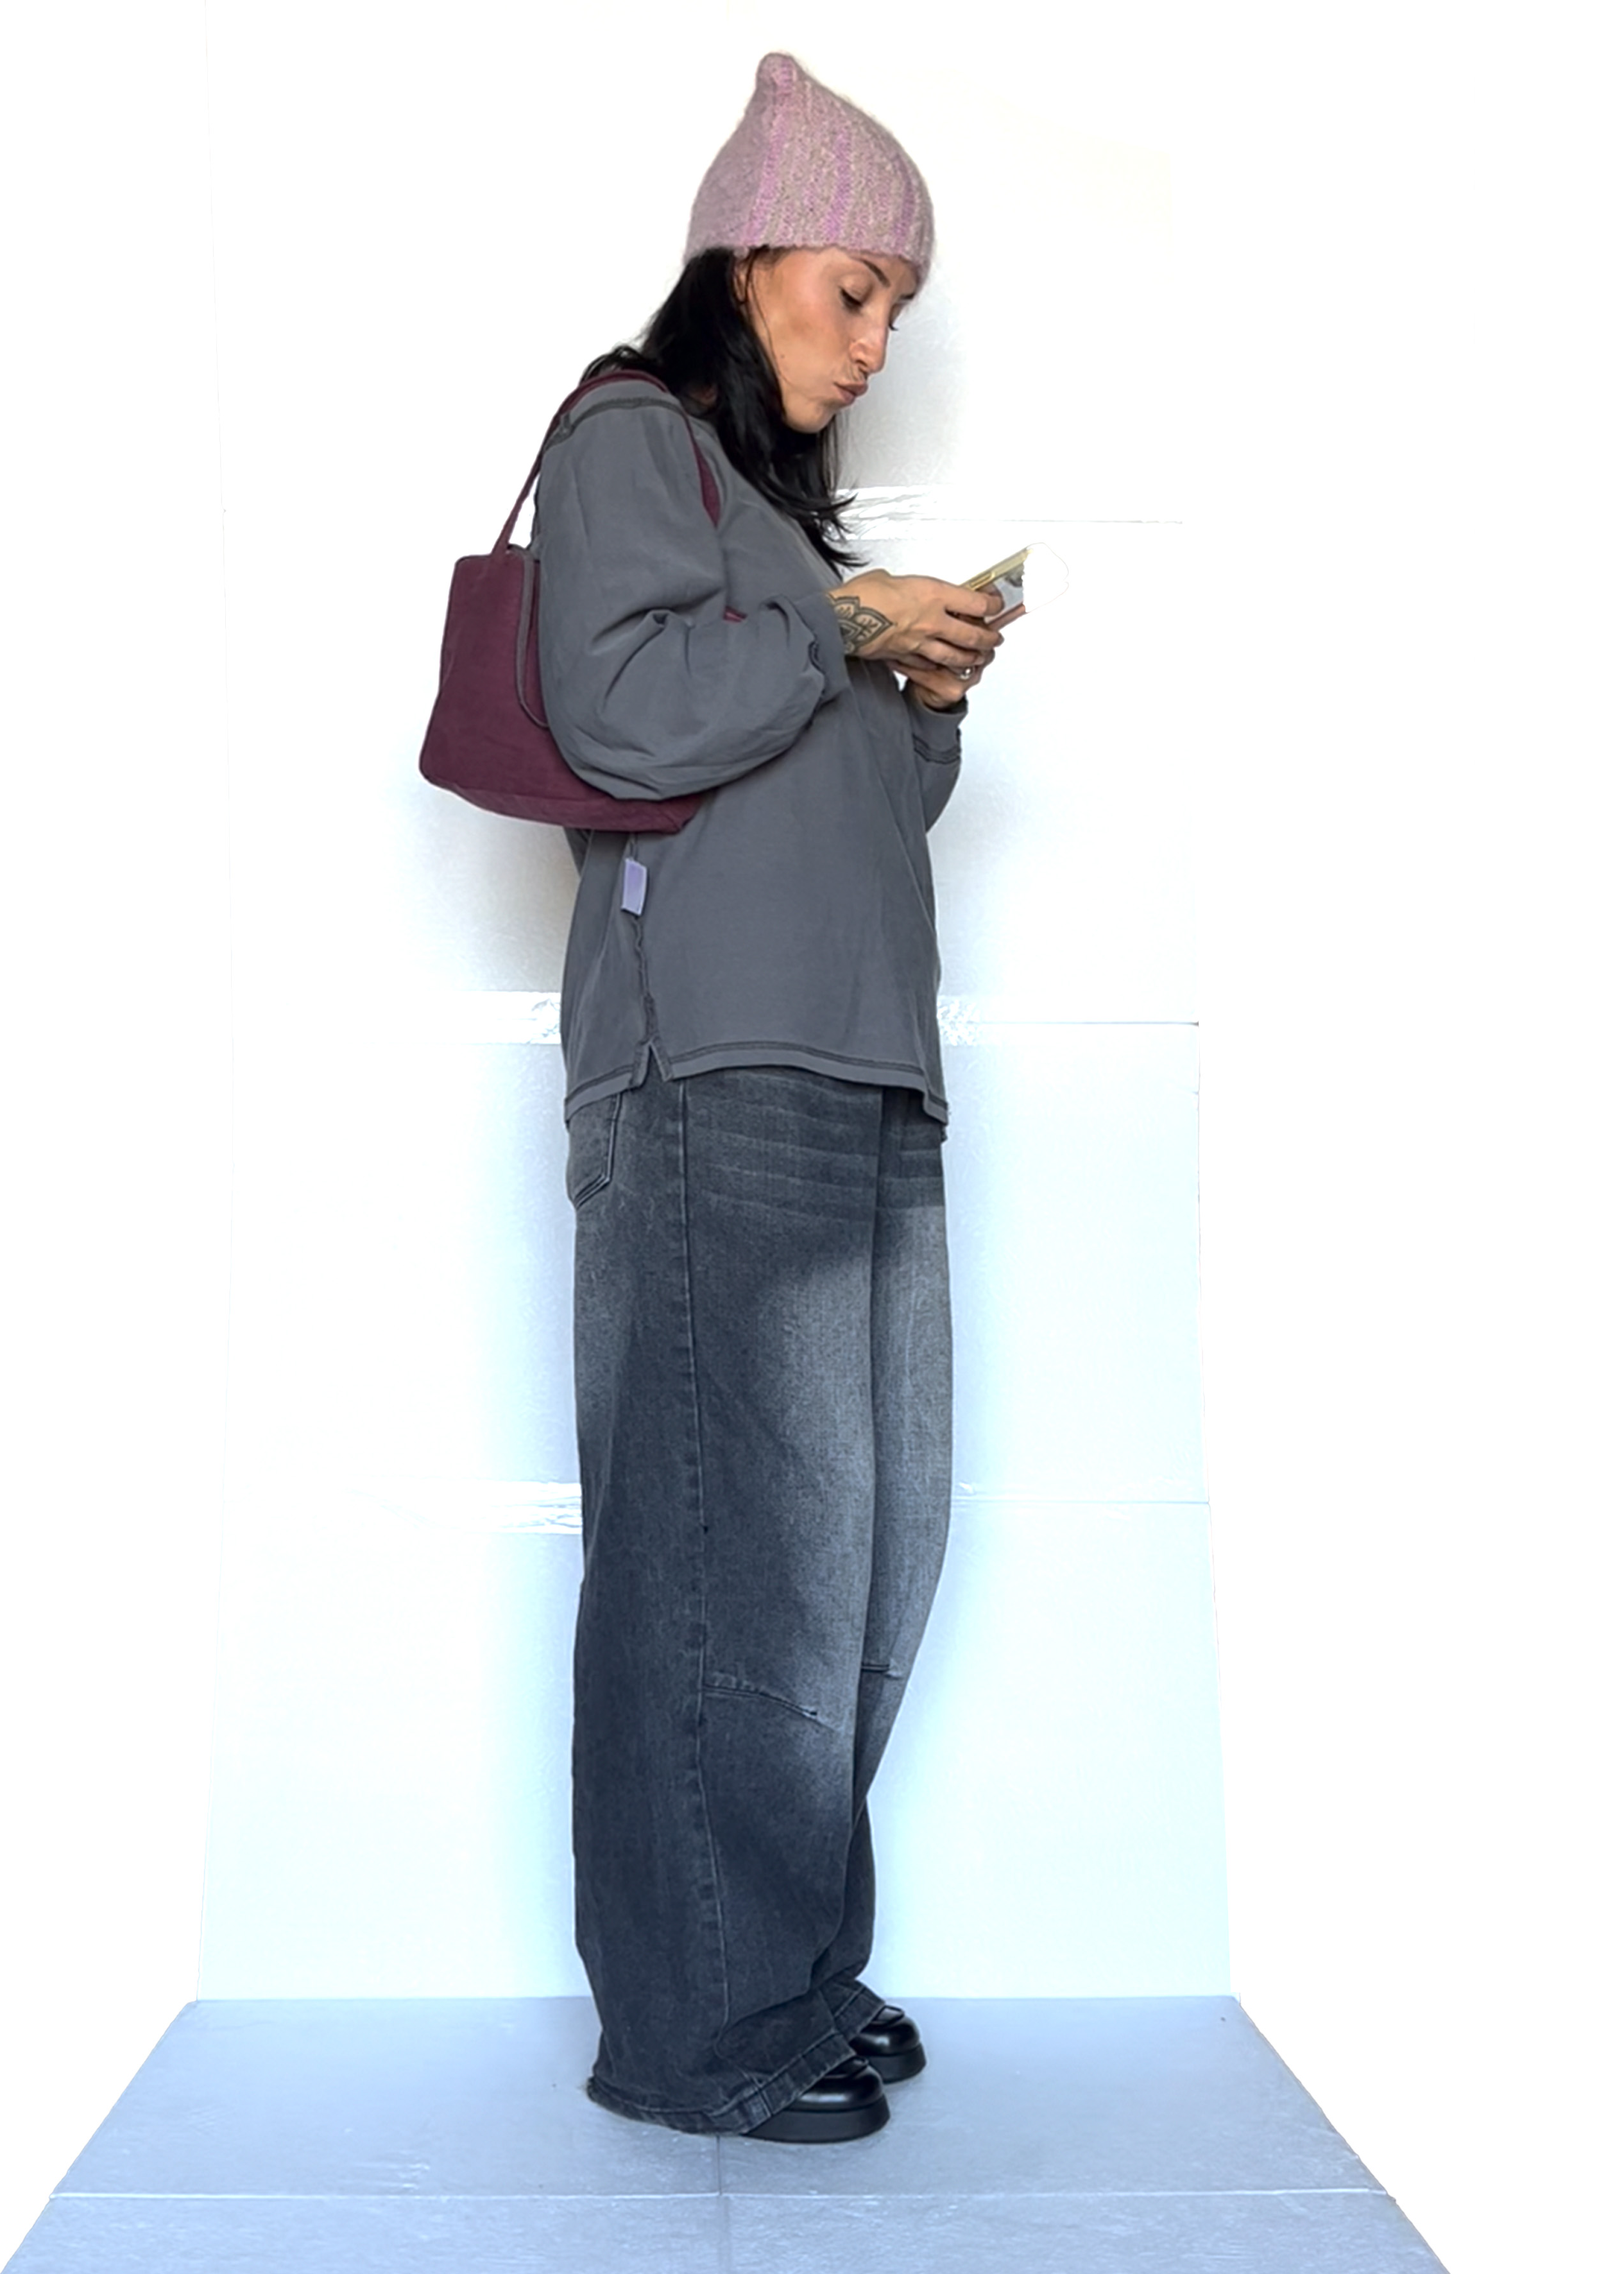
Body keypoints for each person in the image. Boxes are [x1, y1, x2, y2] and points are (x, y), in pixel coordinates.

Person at [533, 53, 1013, 2144]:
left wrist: (922, 691)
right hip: (713, 1061)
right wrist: (834, 620)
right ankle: (697, 2028)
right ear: (746, 263)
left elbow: (839, 808)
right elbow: (619, 714)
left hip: (860, 1056)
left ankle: (789, 1969)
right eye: (853, 289)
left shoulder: (777, 527)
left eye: (897, 305)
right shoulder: (629, 437)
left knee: (856, 1553)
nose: (876, 340)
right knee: (732, 1561)